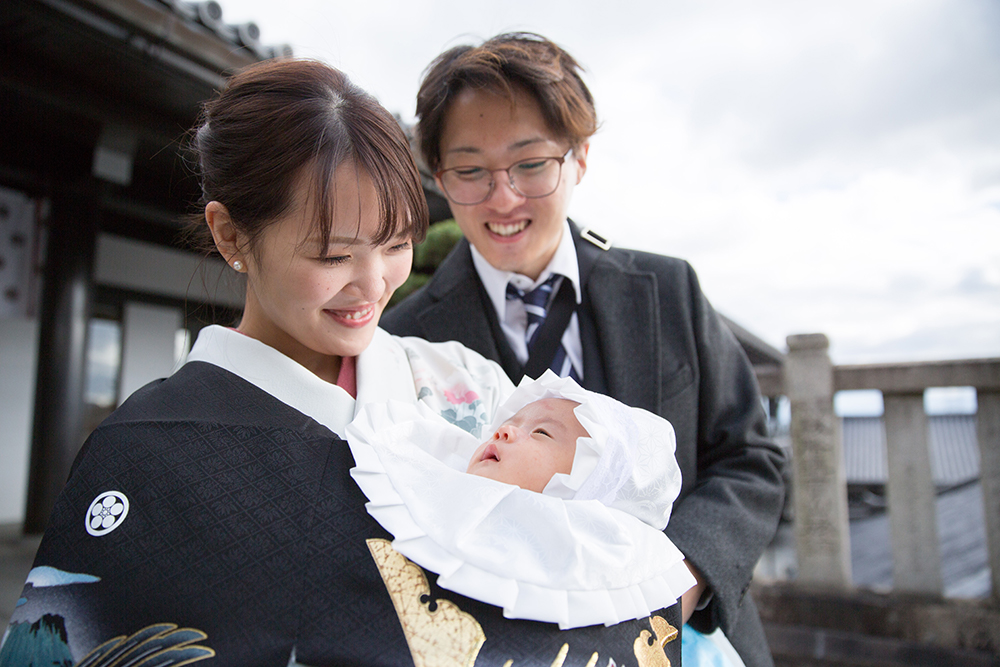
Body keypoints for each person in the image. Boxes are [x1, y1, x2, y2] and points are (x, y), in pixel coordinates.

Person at [0, 59, 681, 667]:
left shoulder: (464, 386)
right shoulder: (142, 451)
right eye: (332, 255)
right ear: (231, 233)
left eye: (396, 243)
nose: (373, 283)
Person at [380, 32, 787, 667]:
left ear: (579, 158)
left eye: (530, 163)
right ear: (440, 177)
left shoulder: (667, 290)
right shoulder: (405, 340)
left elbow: (752, 460)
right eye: (470, 171)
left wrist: (672, 585)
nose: (503, 197)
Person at [347, 370, 698, 631]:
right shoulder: (432, 474)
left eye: (541, 432)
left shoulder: (590, 562)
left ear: (592, 482)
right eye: (511, 421)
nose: (505, 430)